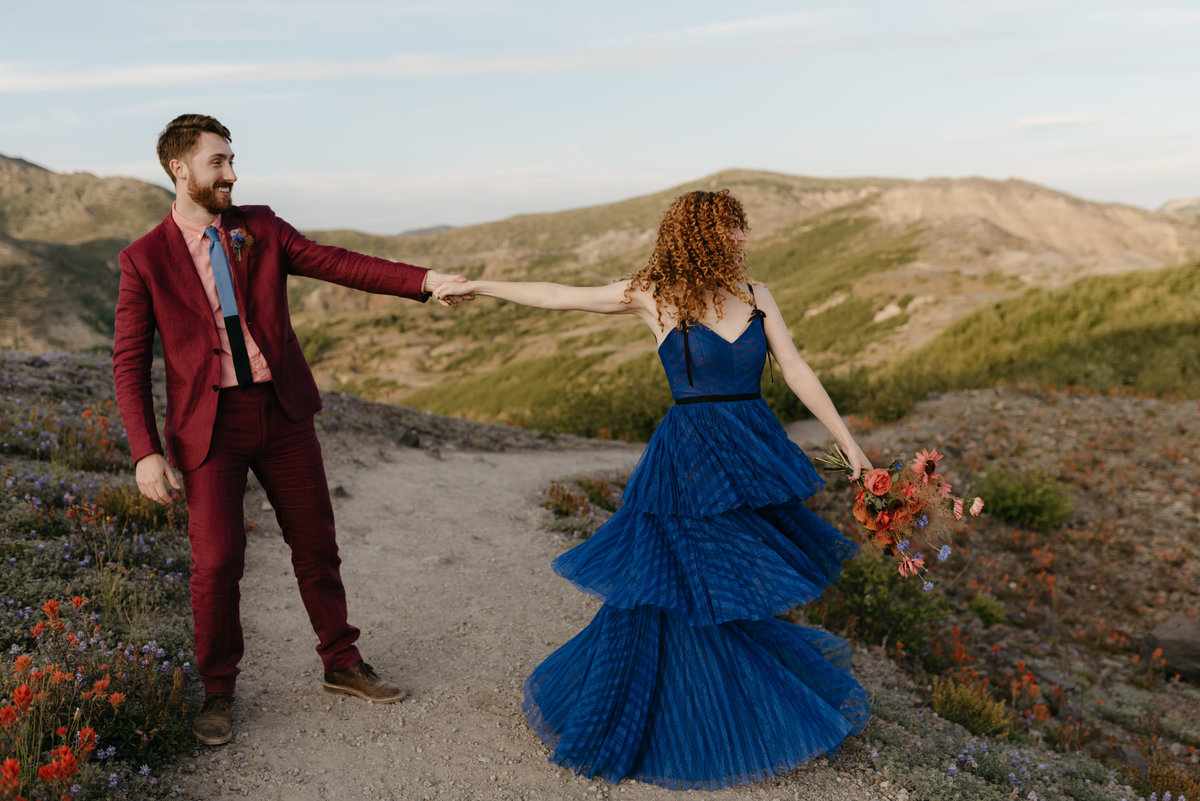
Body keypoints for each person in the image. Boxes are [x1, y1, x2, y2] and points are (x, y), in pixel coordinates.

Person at [435, 189, 872, 790]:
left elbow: (794, 368)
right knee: (685, 579)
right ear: (699, 235)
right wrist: (480, 286)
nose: (743, 239)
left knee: (731, 579)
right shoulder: (654, 293)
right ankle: (682, 709)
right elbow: (563, 297)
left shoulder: (756, 295)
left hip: (751, 450)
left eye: (742, 229)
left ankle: (726, 693)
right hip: (689, 456)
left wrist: (848, 442)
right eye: (731, 229)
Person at [112, 114, 466, 747]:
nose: (232, 173)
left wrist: (424, 282)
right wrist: (145, 452)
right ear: (179, 169)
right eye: (218, 162)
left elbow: (339, 262)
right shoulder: (144, 259)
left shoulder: (262, 227)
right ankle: (218, 689)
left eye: (232, 160)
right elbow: (129, 362)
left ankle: (342, 662)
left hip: (282, 414)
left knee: (316, 545)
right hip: (208, 429)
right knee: (217, 563)